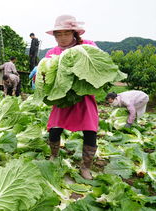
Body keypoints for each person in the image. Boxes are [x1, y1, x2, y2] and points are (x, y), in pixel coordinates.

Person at [45, 15, 99, 180]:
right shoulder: (52, 52)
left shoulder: (87, 46)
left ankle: (86, 166)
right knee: (54, 128)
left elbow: (99, 64)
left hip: (84, 96)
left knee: (90, 131)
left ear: (74, 33)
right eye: (58, 35)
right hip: (62, 98)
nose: (62, 38)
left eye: (66, 34)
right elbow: (46, 76)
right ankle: (54, 156)